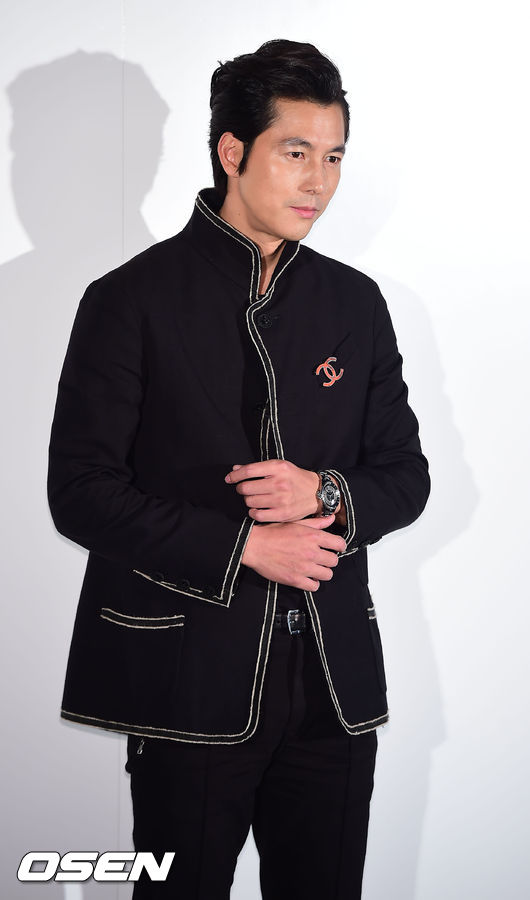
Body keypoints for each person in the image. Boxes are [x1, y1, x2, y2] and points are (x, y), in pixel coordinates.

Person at [47, 38, 430, 899]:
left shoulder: (354, 303)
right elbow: (80, 493)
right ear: (232, 151)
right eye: (295, 152)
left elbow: (407, 476)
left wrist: (323, 491)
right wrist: (244, 547)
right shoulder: (128, 299)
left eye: (333, 157)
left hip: (332, 689)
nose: (318, 181)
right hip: (186, 685)